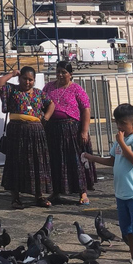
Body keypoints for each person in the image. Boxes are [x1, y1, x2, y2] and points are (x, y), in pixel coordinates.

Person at [83, 104, 133, 264]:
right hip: (121, 194)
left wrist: (122, 143)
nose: (120, 128)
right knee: (128, 231)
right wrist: (92, 157)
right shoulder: (118, 141)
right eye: (117, 124)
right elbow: (113, 160)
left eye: (123, 123)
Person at [0, 66, 55, 209]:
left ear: (34, 80)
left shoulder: (39, 94)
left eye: (30, 79)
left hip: (36, 132)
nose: (27, 82)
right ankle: (15, 198)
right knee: (16, 163)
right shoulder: (12, 90)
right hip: (16, 131)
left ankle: (39, 196)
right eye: (25, 78)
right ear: (19, 78)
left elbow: (51, 104)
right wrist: (12, 74)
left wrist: (46, 117)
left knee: (37, 163)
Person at [42, 61, 96, 205]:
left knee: (76, 161)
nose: (60, 75)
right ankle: (56, 191)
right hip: (52, 130)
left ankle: (82, 192)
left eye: (64, 72)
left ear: (70, 74)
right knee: (55, 161)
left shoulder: (76, 89)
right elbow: (41, 104)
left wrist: (84, 131)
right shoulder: (48, 87)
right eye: (58, 71)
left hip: (72, 130)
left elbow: (86, 110)